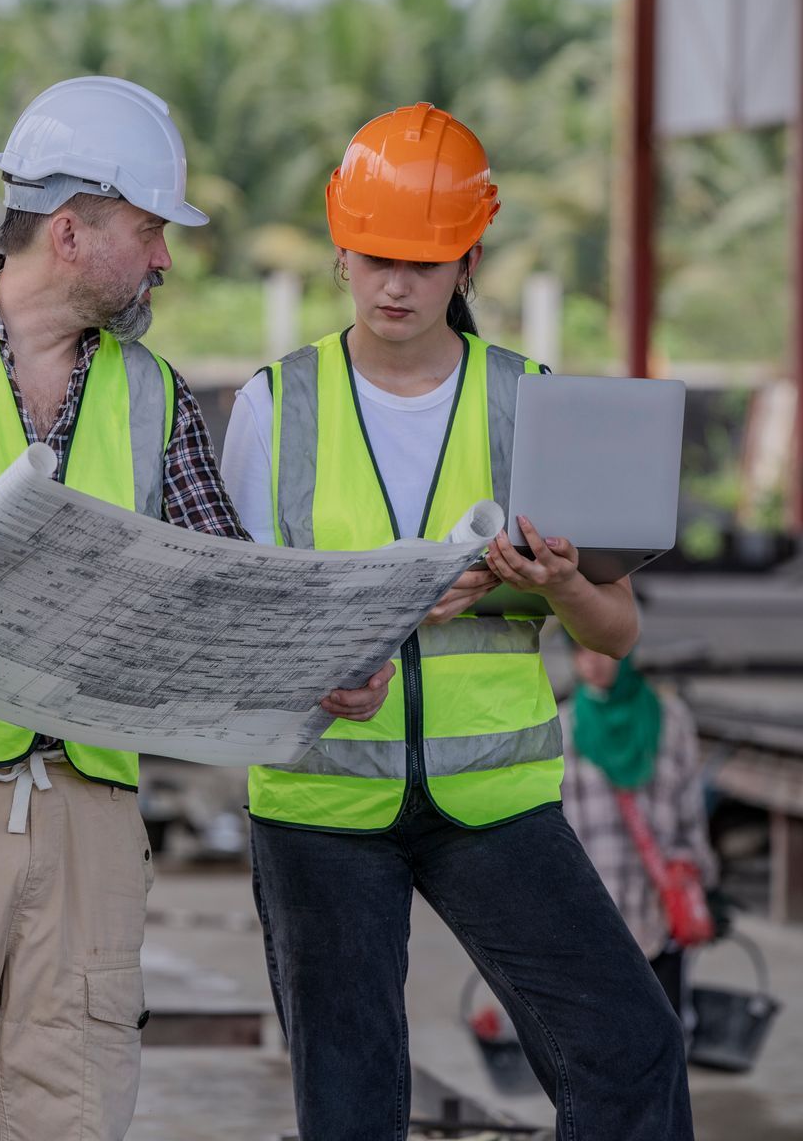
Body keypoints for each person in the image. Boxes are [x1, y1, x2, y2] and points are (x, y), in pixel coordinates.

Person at [0, 75, 392, 1140]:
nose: (164, 259)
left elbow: (228, 583)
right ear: (70, 229)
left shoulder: (154, 394)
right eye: (150, 230)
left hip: (89, 824)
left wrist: (316, 660)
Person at [220, 103, 691, 1140]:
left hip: (494, 801)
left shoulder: (534, 402)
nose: (396, 285)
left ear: (469, 261)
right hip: (322, 806)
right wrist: (346, 645)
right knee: (351, 1105)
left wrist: (562, 581)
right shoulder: (274, 407)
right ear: (341, 246)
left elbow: (616, 633)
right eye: (377, 256)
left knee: (633, 1051)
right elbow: (236, 627)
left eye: (425, 263)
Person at [559, 643, 719, 1040]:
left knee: (664, 1027)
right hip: (594, 901)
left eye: (601, 649)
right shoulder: (565, 723)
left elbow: (689, 809)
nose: (591, 661)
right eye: (579, 652)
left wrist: (697, 878)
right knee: (601, 1032)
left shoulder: (670, 718)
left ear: (625, 652)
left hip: (659, 901)